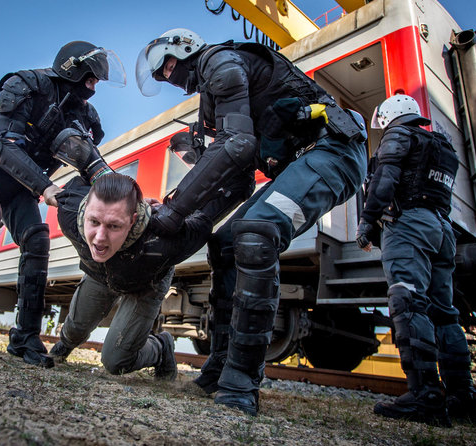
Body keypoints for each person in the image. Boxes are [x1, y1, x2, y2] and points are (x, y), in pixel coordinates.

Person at [136, 29, 367, 415]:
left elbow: (237, 145)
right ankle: (220, 366)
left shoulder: (219, 62)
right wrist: (189, 225)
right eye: (161, 75)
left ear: (185, 49)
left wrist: (174, 211)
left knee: (257, 232)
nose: (168, 77)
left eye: (168, 66)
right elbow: (239, 181)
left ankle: (241, 383)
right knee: (225, 244)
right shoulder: (213, 97)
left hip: (334, 150)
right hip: (305, 160)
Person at [0, 40, 125, 368]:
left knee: (36, 237)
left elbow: (91, 163)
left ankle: (26, 336)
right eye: (92, 79)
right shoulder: (27, 84)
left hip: (20, 180)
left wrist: (124, 197)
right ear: (73, 68)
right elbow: (0, 145)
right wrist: (46, 187)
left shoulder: (82, 113)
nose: (95, 87)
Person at [355, 94, 476, 426]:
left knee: (408, 301)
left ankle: (424, 396)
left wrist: (368, 220)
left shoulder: (399, 135)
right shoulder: (442, 146)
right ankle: (462, 398)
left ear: (390, 116)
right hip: (442, 229)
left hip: (409, 224)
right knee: (445, 314)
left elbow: (385, 178)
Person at [48, 172, 212, 380]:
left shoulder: (165, 240)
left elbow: (203, 223)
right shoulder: (70, 215)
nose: (99, 238)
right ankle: (67, 344)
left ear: (133, 220)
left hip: (147, 280)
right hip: (101, 274)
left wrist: (173, 212)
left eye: (114, 225)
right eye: (95, 222)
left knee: (116, 361)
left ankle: (161, 347)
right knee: (73, 329)